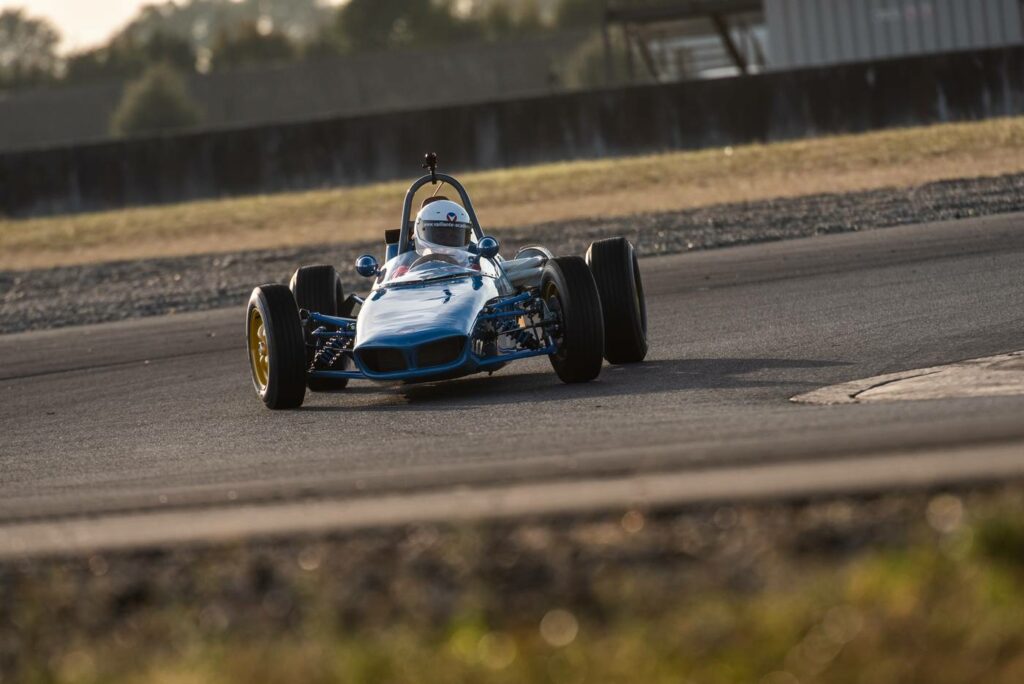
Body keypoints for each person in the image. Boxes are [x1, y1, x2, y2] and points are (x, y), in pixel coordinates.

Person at [390, 198, 478, 279]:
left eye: (454, 236)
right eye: (440, 235)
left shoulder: (474, 268)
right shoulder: (403, 271)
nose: (446, 241)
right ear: (420, 231)